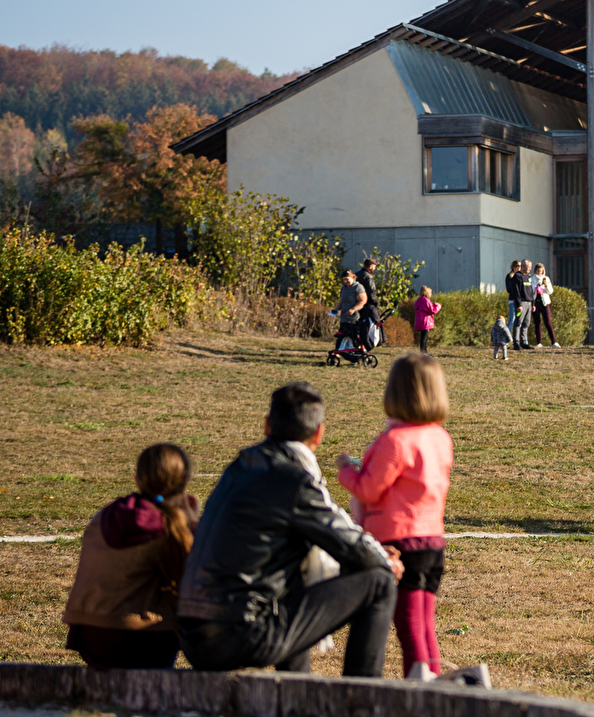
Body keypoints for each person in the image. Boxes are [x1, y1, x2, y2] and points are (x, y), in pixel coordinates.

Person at [177, 383, 402, 677]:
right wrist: (385, 560)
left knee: (294, 575)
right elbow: (350, 544)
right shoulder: (294, 479)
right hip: (240, 631)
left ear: (267, 425)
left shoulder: (239, 467)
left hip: (192, 634)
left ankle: (298, 692)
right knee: (380, 582)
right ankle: (361, 698)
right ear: (319, 432)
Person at [336, 354, 455, 680]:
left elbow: (370, 490)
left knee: (409, 624)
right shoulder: (441, 438)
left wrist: (346, 471)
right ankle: (435, 682)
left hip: (400, 541)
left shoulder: (395, 441)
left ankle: (419, 687)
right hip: (433, 540)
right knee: (425, 621)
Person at [63, 443, 198, 669]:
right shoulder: (169, 527)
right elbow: (192, 578)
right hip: (139, 640)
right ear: (185, 483)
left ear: (137, 479)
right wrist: (193, 527)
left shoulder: (107, 515)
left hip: (86, 634)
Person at [337, 270, 369, 349]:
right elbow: (341, 302)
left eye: (347, 279)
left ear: (352, 277)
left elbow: (363, 301)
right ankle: (337, 353)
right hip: (344, 318)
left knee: (354, 338)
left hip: (354, 318)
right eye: (344, 279)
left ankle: (356, 354)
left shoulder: (358, 287)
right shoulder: (343, 288)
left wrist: (353, 309)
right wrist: (335, 309)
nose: (345, 281)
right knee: (341, 336)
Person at [530, 263, 559, 348]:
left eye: (541, 271)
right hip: (536, 302)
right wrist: (537, 286)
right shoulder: (532, 279)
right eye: (538, 270)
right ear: (535, 270)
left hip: (544, 302)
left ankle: (554, 341)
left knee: (548, 322)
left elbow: (550, 291)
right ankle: (539, 342)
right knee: (537, 322)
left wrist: (545, 285)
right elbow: (531, 291)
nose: (539, 272)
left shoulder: (546, 279)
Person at [512, 260, 536, 350]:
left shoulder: (528, 277)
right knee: (518, 322)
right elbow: (516, 292)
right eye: (528, 267)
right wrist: (519, 305)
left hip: (529, 302)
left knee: (526, 323)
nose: (530, 269)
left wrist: (533, 303)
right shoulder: (517, 276)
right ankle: (516, 343)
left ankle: (524, 342)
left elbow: (531, 291)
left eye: (530, 267)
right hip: (521, 303)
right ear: (523, 266)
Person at [411, 287, 441, 354]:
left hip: (420, 321)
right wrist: (438, 306)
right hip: (425, 321)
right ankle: (424, 352)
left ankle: (423, 351)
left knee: (423, 337)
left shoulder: (420, 300)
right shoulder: (426, 300)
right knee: (424, 337)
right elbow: (432, 310)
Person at [357, 258, 381, 326]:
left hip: (356, 305)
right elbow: (372, 293)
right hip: (367, 307)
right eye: (374, 267)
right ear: (370, 266)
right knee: (376, 325)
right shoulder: (368, 277)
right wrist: (375, 304)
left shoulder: (355, 275)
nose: (374, 269)